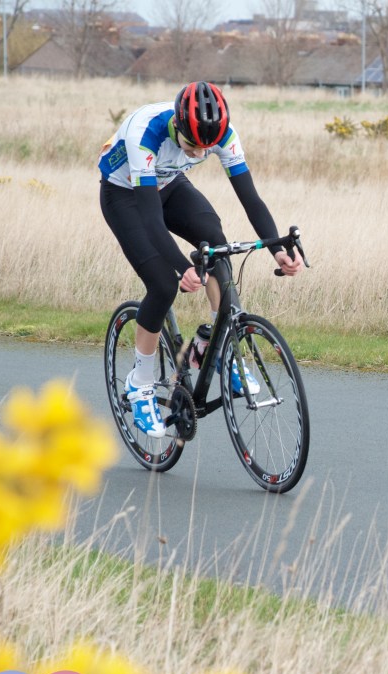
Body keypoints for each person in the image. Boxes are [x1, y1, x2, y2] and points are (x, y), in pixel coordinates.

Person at [98, 80, 304, 438]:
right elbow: (150, 218)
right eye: (192, 146)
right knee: (163, 285)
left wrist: (277, 249)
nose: (197, 154)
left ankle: (213, 344)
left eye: (205, 149)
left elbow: (250, 199)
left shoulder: (224, 134)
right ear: (177, 126)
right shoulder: (145, 132)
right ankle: (140, 382)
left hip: (169, 184)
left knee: (216, 245)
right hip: (126, 196)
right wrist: (182, 268)